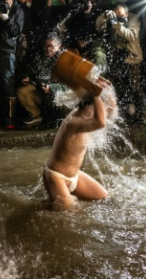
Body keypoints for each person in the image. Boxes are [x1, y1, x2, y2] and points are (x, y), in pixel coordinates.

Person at [43, 81, 112, 210]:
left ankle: (49, 202)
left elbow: (109, 113)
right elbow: (101, 122)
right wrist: (95, 93)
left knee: (104, 198)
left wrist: (108, 90)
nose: (102, 109)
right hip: (56, 177)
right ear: (90, 105)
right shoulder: (73, 122)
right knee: (68, 215)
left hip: (75, 176)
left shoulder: (86, 115)